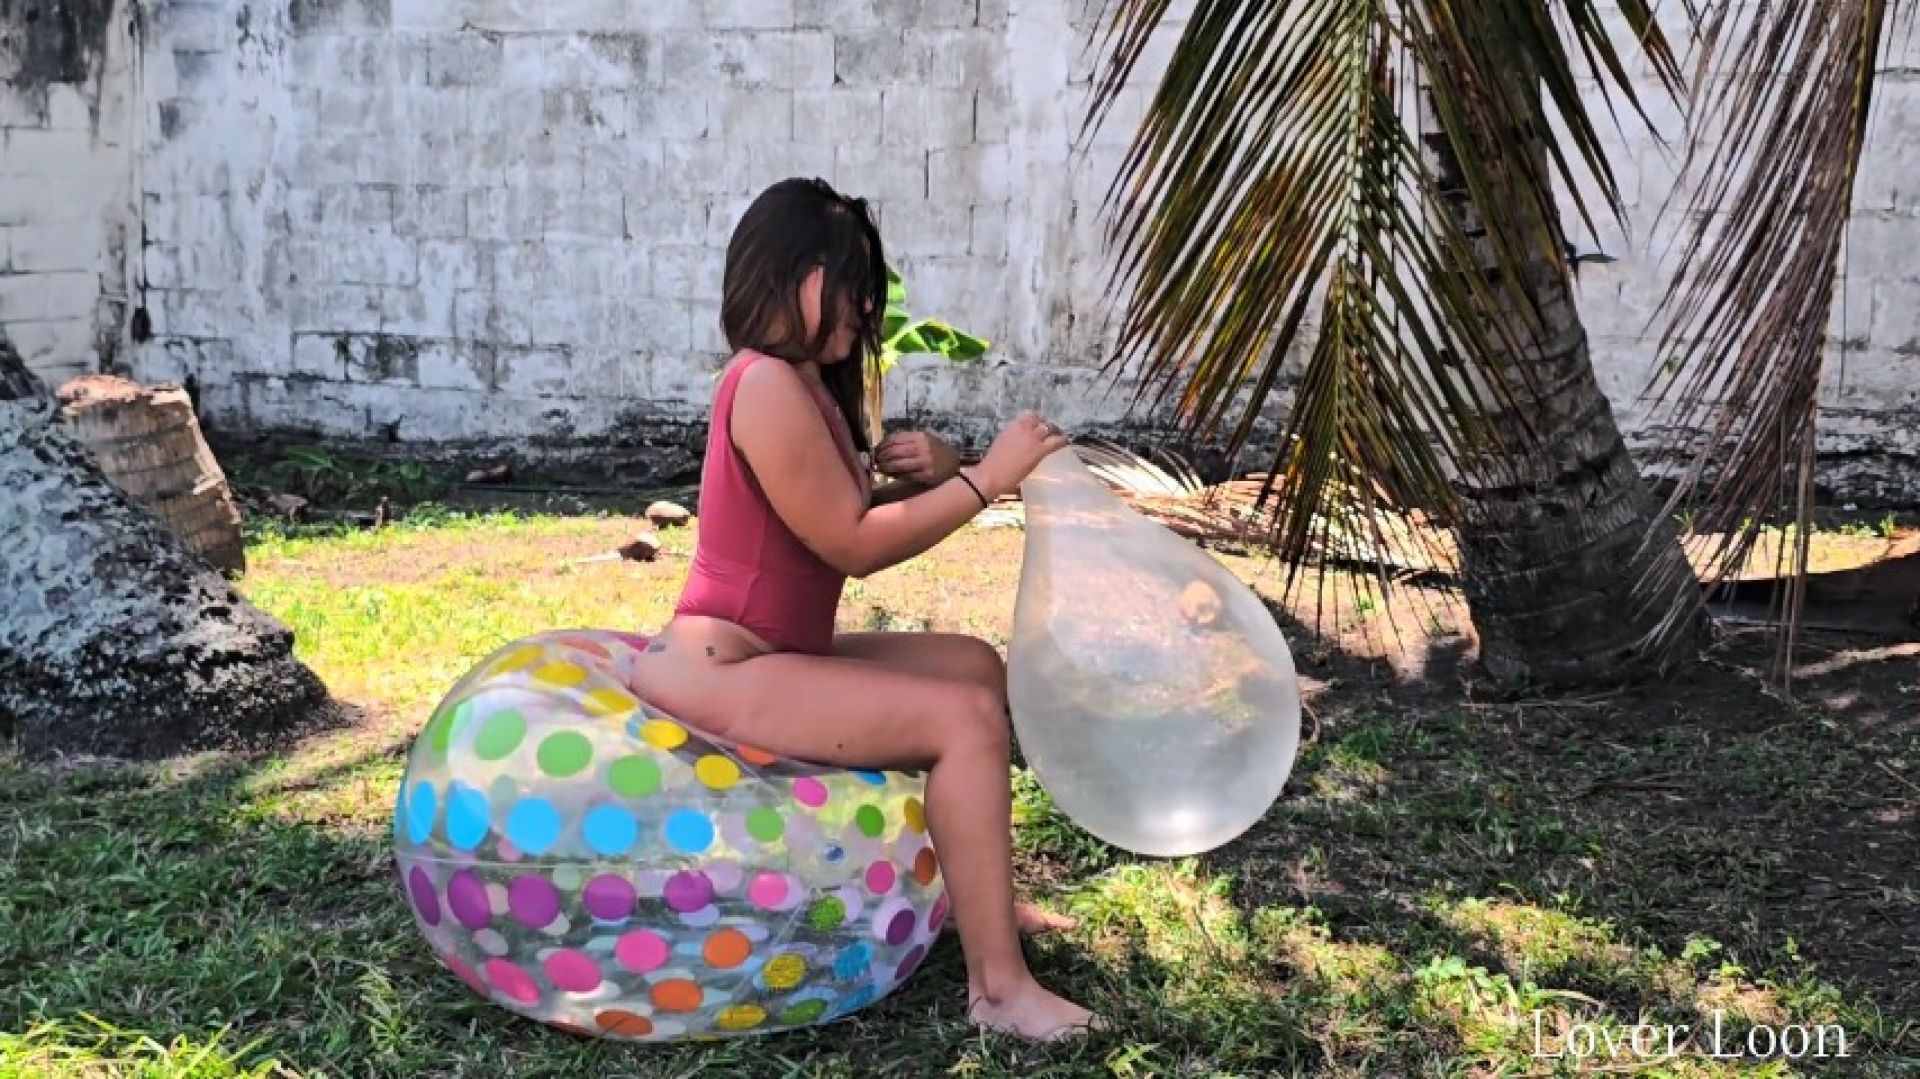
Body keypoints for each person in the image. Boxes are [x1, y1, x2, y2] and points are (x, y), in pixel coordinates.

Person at [627, 177, 1098, 1042]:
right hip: (723, 662)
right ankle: (999, 989)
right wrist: (983, 480)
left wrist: (936, 468)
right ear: (796, 277)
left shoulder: (803, 383)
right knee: (959, 719)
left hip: (775, 650)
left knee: (971, 668)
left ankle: (970, 898)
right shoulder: (764, 380)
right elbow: (851, 543)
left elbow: (824, 511)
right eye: (851, 291)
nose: (863, 312)